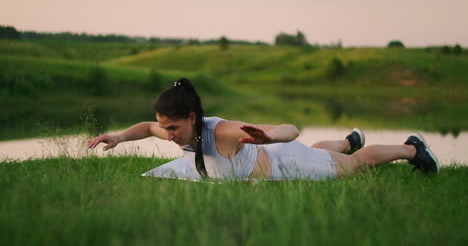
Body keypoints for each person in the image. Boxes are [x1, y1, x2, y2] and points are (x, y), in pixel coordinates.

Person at [87, 78, 440, 180]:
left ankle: (412, 148)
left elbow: (292, 128)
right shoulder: (174, 129)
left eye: (173, 127)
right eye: (167, 127)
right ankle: (348, 141)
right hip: (272, 159)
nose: (168, 134)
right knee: (325, 154)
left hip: (283, 159)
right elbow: (148, 127)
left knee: (354, 168)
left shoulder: (221, 131)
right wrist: (118, 136)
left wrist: (271, 136)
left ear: (193, 117)